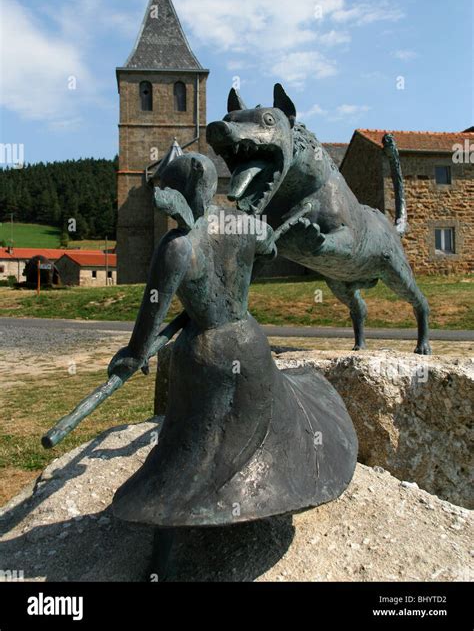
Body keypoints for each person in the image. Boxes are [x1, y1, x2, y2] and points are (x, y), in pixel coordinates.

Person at [108, 152, 357, 527]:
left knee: (193, 456)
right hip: (249, 340)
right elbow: (269, 248)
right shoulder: (240, 223)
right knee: (253, 437)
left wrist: (133, 355)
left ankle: (174, 523)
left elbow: (150, 316)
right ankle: (263, 499)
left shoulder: (177, 248)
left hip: (204, 352)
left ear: (176, 196)